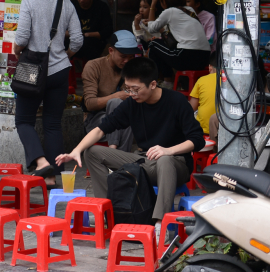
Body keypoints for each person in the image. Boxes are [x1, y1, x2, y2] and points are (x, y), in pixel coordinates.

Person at [56, 57, 205, 226]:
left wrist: (168, 150)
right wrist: (76, 150)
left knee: (164, 160)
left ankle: (159, 224)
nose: (131, 94)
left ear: (153, 84)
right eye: (128, 89)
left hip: (175, 164)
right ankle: (112, 212)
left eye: (135, 89)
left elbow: (197, 140)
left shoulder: (176, 101)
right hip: (144, 161)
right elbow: (101, 129)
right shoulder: (132, 104)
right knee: (91, 152)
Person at [14, 0, 83, 182]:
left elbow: (22, 37)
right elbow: (78, 40)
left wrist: (17, 50)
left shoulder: (29, 3)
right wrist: (66, 55)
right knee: (53, 123)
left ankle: (41, 162)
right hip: (59, 70)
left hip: (32, 69)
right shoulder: (68, 4)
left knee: (24, 120)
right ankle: (52, 178)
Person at [81, 31, 138, 151]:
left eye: (131, 57)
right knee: (116, 103)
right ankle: (116, 154)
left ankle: (119, 159)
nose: (127, 61)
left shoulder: (133, 68)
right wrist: (117, 96)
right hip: (96, 120)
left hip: (125, 119)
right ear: (111, 51)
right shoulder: (94, 66)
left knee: (127, 113)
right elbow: (90, 104)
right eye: (123, 56)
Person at [138, 0, 210, 80]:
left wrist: (153, 4)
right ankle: (173, 81)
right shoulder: (190, 10)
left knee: (153, 44)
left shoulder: (170, 11)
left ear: (163, 1)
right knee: (163, 47)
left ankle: (162, 81)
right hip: (204, 58)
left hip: (186, 57)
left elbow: (151, 29)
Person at [71, 0, 113, 64]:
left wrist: (88, 35)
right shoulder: (71, 6)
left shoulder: (101, 7)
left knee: (88, 44)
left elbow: (108, 31)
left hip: (94, 42)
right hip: (74, 41)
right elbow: (62, 30)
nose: (82, 0)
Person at [189, 52, 219, 143]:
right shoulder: (232, 82)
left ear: (210, 67)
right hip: (224, 129)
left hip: (203, 131)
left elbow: (191, 108)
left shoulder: (202, 80)